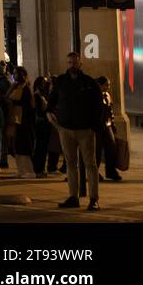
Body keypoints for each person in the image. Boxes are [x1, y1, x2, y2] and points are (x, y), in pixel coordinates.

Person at [48, 51, 103, 210]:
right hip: (66, 129)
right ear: (67, 64)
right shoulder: (61, 81)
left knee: (90, 165)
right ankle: (73, 197)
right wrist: (50, 115)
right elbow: (52, 100)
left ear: (80, 64)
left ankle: (94, 199)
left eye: (75, 62)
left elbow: (98, 105)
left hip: (85, 130)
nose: (72, 65)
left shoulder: (89, 82)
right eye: (69, 63)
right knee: (71, 164)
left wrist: (94, 125)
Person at [7, 66, 36, 178]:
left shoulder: (25, 88)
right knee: (18, 146)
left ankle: (28, 171)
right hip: (17, 119)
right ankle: (21, 169)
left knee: (24, 145)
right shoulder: (17, 86)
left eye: (16, 73)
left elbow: (25, 105)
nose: (14, 75)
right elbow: (7, 97)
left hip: (24, 120)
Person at [95, 76, 124, 183]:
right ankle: (95, 172)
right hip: (97, 127)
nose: (108, 87)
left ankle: (111, 171)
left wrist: (112, 123)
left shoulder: (107, 95)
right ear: (100, 85)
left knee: (111, 148)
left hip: (107, 126)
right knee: (96, 151)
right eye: (106, 84)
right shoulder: (94, 96)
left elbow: (110, 110)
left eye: (109, 84)